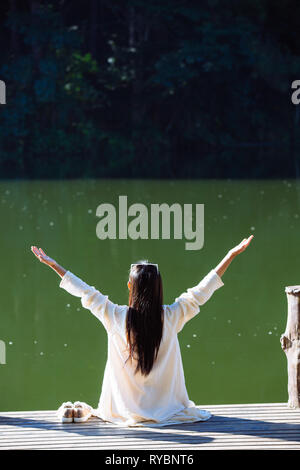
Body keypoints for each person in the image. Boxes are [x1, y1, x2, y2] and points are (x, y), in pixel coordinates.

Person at [31, 235, 253, 427]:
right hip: (169, 412)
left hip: (123, 412)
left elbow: (86, 292)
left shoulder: (116, 316)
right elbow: (203, 290)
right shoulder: (172, 316)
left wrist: (54, 265)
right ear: (159, 288)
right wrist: (230, 255)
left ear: (130, 287)